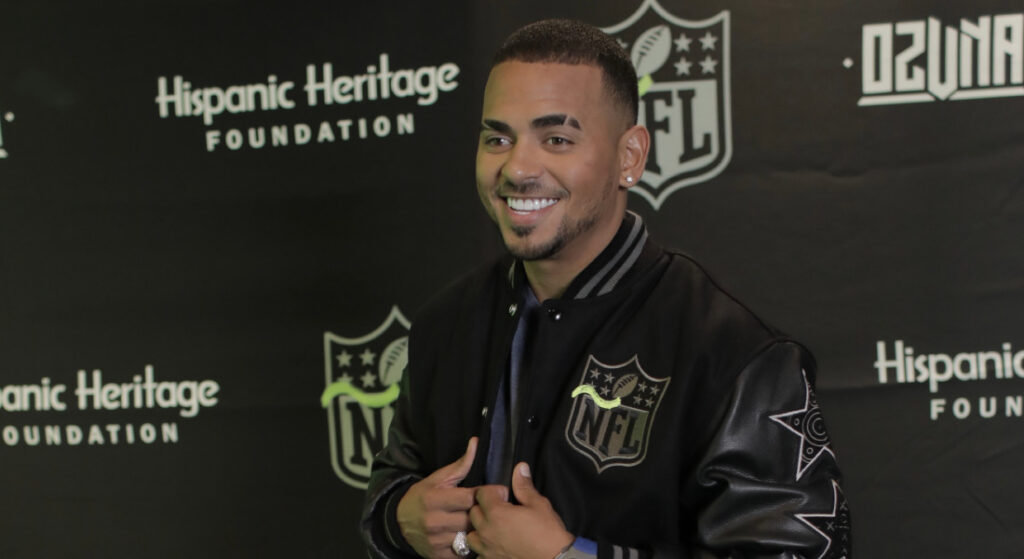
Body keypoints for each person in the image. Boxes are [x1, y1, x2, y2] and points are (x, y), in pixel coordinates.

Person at [362, 19, 850, 559]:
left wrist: (566, 556)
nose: (518, 167)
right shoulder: (443, 325)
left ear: (629, 157)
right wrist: (398, 518)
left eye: (557, 139)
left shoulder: (734, 354)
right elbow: (393, 480)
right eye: (498, 138)